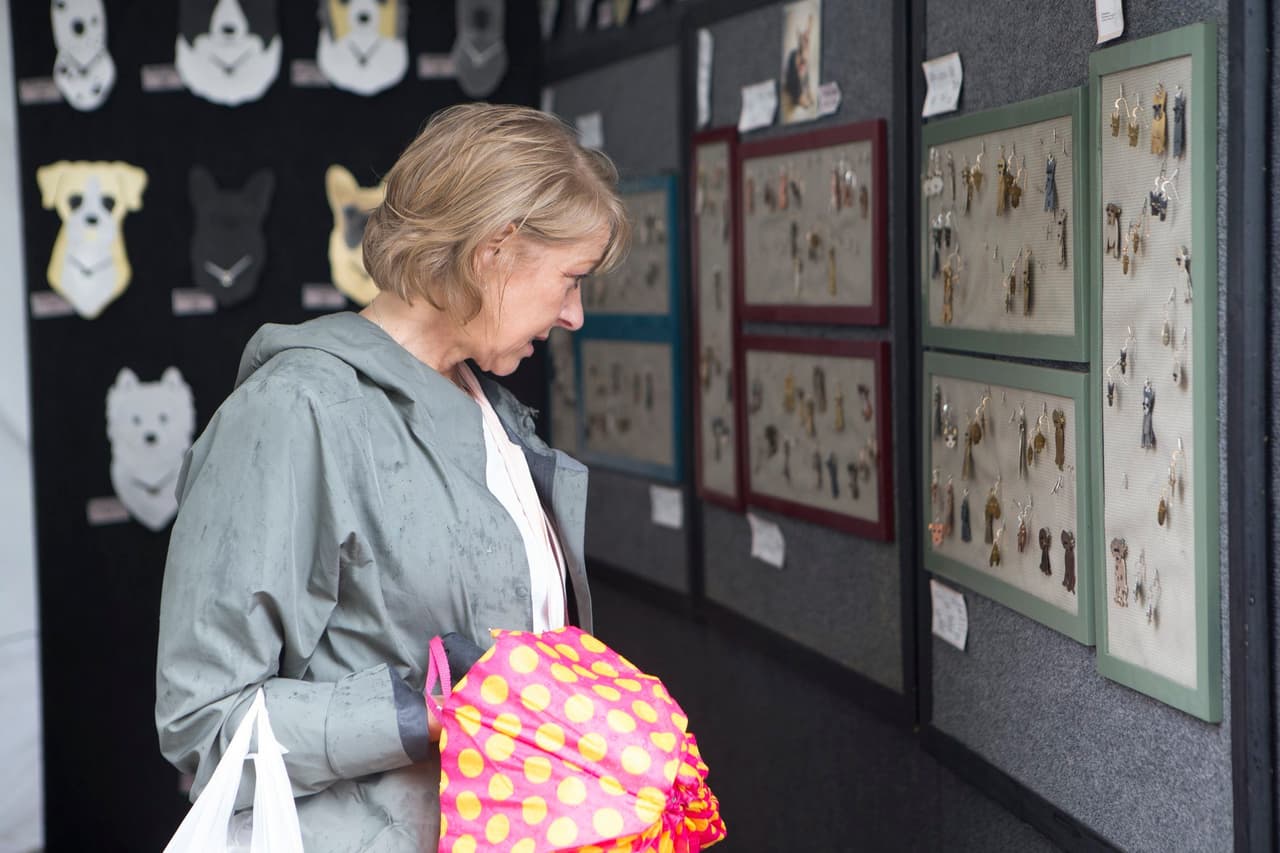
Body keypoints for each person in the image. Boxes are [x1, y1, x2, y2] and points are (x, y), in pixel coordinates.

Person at [155, 103, 630, 851]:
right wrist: (422, 710)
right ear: (494, 250)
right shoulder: (294, 410)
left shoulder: (493, 412)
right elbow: (204, 720)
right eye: (570, 279)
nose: (573, 313)